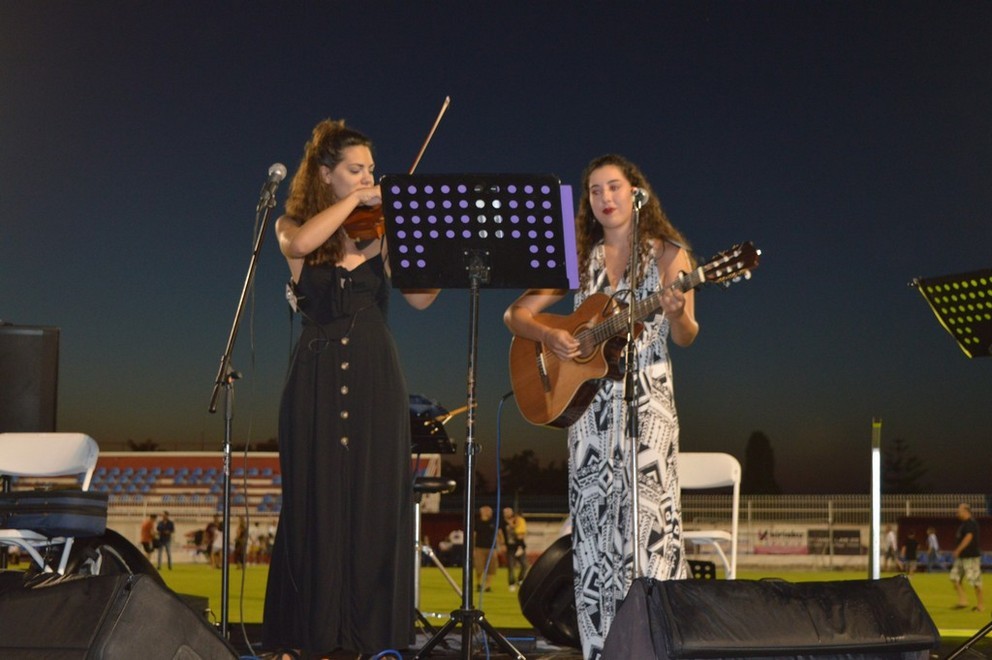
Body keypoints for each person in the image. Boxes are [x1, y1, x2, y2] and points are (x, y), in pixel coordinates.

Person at [504, 154, 699, 660]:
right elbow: (515, 315)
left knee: (650, 533)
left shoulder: (668, 254)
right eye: (594, 191)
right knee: (594, 540)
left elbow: (686, 334)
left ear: (637, 192)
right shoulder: (579, 259)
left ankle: (656, 648)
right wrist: (551, 335)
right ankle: (600, 650)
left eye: (613, 187)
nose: (605, 198)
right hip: (589, 412)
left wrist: (677, 311)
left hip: (646, 405)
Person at [262, 118, 439, 658]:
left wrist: (414, 241)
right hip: (314, 377)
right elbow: (301, 241)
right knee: (313, 502)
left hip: (374, 376)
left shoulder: (381, 233)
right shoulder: (293, 225)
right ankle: (307, 636)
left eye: (371, 170)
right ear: (326, 175)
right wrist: (358, 201)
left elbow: (421, 299)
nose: (368, 179)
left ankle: (371, 638)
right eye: (356, 170)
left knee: (374, 502)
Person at [950, 502, 984, 612]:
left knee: (975, 580)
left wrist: (958, 550)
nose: (957, 513)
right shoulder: (964, 524)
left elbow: (968, 537)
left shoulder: (971, 523)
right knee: (954, 577)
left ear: (966, 511)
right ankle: (963, 601)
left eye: (959, 511)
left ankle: (980, 605)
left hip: (971, 556)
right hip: (962, 557)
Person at [501, 506, 529, 591]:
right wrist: (502, 544)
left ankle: (520, 579)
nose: (507, 513)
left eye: (509, 512)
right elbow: (500, 533)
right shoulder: (502, 523)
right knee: (511, 566)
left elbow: (521, 530)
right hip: (510, 547)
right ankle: (511, 583)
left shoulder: (517, 520)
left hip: (519, 546)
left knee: (525, 565)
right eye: (506, 512)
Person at [473, 505, 499, 593]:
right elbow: (474, 535)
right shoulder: (477, 522)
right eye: (486, 511)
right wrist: (473, 548)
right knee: (479, 567)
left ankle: (488, 586)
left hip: (491, 548)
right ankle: (478, 583)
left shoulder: (493, 522)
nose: (488, 512)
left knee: (491, 568)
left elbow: (498, 533)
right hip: (479, 547)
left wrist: (500, 544)